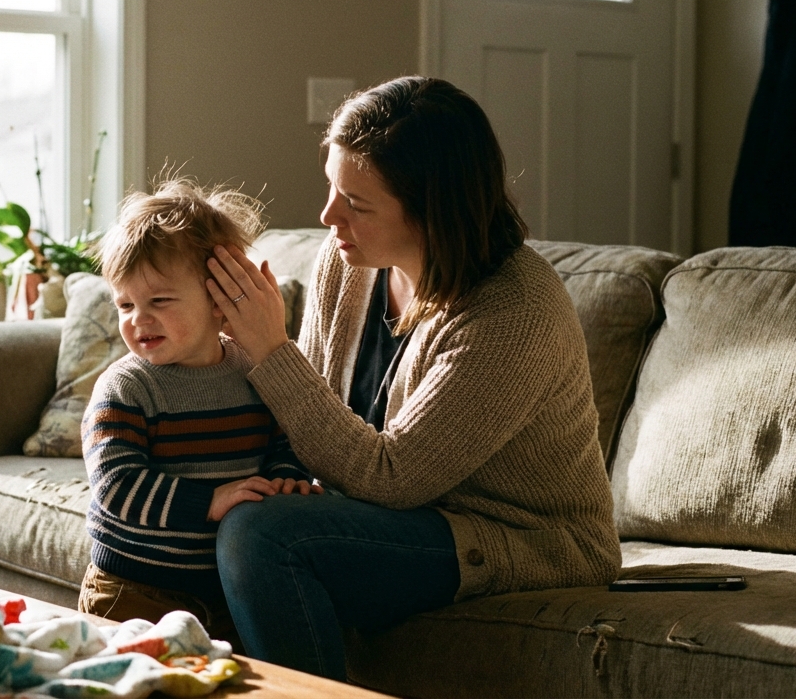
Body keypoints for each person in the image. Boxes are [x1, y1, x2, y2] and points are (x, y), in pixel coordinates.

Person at [204, 76, 622, 680]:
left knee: (262, 537)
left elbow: (396, 477)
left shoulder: (515, 309)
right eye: (331, 187)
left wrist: (271, 350)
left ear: (432, 211)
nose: (328, 216)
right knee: (220, 506)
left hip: (521, 537)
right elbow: (312, 419)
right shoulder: (346, 265)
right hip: (399, 517)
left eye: (358, 203)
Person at [77, 179, 319, 647]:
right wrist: (208, 501)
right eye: (125, 304)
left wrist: (287, 478)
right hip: (134, 591)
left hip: (222, 591)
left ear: (218, 300)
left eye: (159, 301)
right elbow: (115, 486)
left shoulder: (253, 371)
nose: (137, 319)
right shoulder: (126, 387)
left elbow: (284, 440)